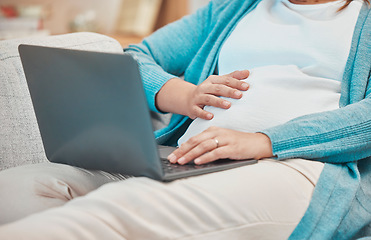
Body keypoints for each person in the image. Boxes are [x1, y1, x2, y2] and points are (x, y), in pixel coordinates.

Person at [0, 0, 370, 239]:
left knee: (116, 211)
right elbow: (138, 56)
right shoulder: (234, 9)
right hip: (182, 158)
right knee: (18, 189)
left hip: (294, 165)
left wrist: (264, 140)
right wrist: (183, 95)